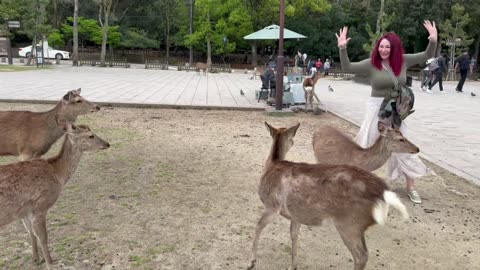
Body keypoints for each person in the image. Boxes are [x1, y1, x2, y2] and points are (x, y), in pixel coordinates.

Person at [335, 20, 437, 204]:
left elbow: (427, 54)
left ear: (394, 48)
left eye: (387, 47)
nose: (383, 50)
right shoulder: (371, 64)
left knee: (403, 144)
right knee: (366, 143)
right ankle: (352, 183)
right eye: (381, 47)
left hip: (396, 110)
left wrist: (433, 39)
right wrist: (342, 48)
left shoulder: (403, 60)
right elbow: (347, 68)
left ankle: (411, 186)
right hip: (376, 108)